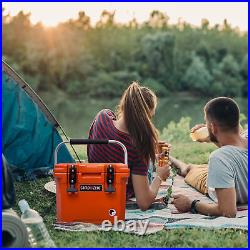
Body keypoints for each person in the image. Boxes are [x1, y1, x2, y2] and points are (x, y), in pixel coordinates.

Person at [87, 82, 170, 210]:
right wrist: (159, 176)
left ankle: (153, 157)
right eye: (150, 117)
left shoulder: (102, 117)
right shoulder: (138, 146)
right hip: (117, 192)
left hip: (94, 183)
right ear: (146, 116)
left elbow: (115, 135)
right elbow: (143, 202)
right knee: (149, 162)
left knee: (146, 156)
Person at [171, 97, 248, 217]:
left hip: (213, 182)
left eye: (206, 123)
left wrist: (191, 204)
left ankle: (175, 162)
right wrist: (213, 135)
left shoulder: (219, 158)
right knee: (199, 167)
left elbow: (228, 211)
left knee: (190, 170)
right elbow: (234, 145)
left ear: (212, 127)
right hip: (228, 169)